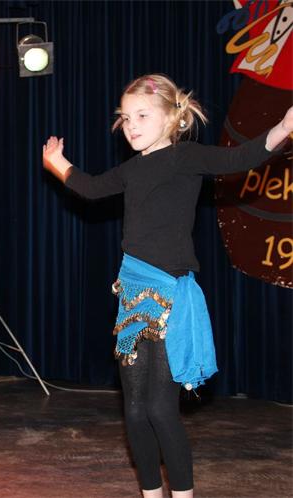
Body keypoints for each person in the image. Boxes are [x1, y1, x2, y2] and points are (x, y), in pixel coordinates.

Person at [41, 74, 293, 498]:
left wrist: (284, 127)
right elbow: (93, 188)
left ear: (171, 118)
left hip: (169, 297)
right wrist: (58, 163)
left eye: (142, 116)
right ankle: (151, 493)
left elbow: (240, 157)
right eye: (125, 118)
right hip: (132, 293)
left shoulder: (184, 157)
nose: (131, 126)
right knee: (135, 411)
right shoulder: (131, 169)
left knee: (160, 409)